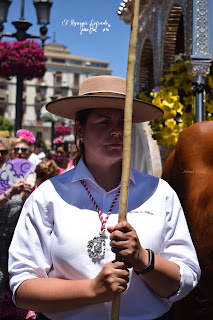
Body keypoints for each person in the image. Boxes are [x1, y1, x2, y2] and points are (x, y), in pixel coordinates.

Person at [8, 75, 200, 320]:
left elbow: (185, 280)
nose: (117, 131)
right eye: (104, 121)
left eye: (123, 122)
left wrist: (144, 259)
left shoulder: (159, 193)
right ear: (80, 129)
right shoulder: (49, 196)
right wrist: (92, 290)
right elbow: (23, 287)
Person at [0, 134, 35, 319]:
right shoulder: (4, 175)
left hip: (16, 237)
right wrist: (9, 193)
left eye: (24, 150)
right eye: (16, 149)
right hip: (1, 236)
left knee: (15, 280)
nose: (20, 153)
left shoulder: (30, 174)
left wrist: (26, 198)